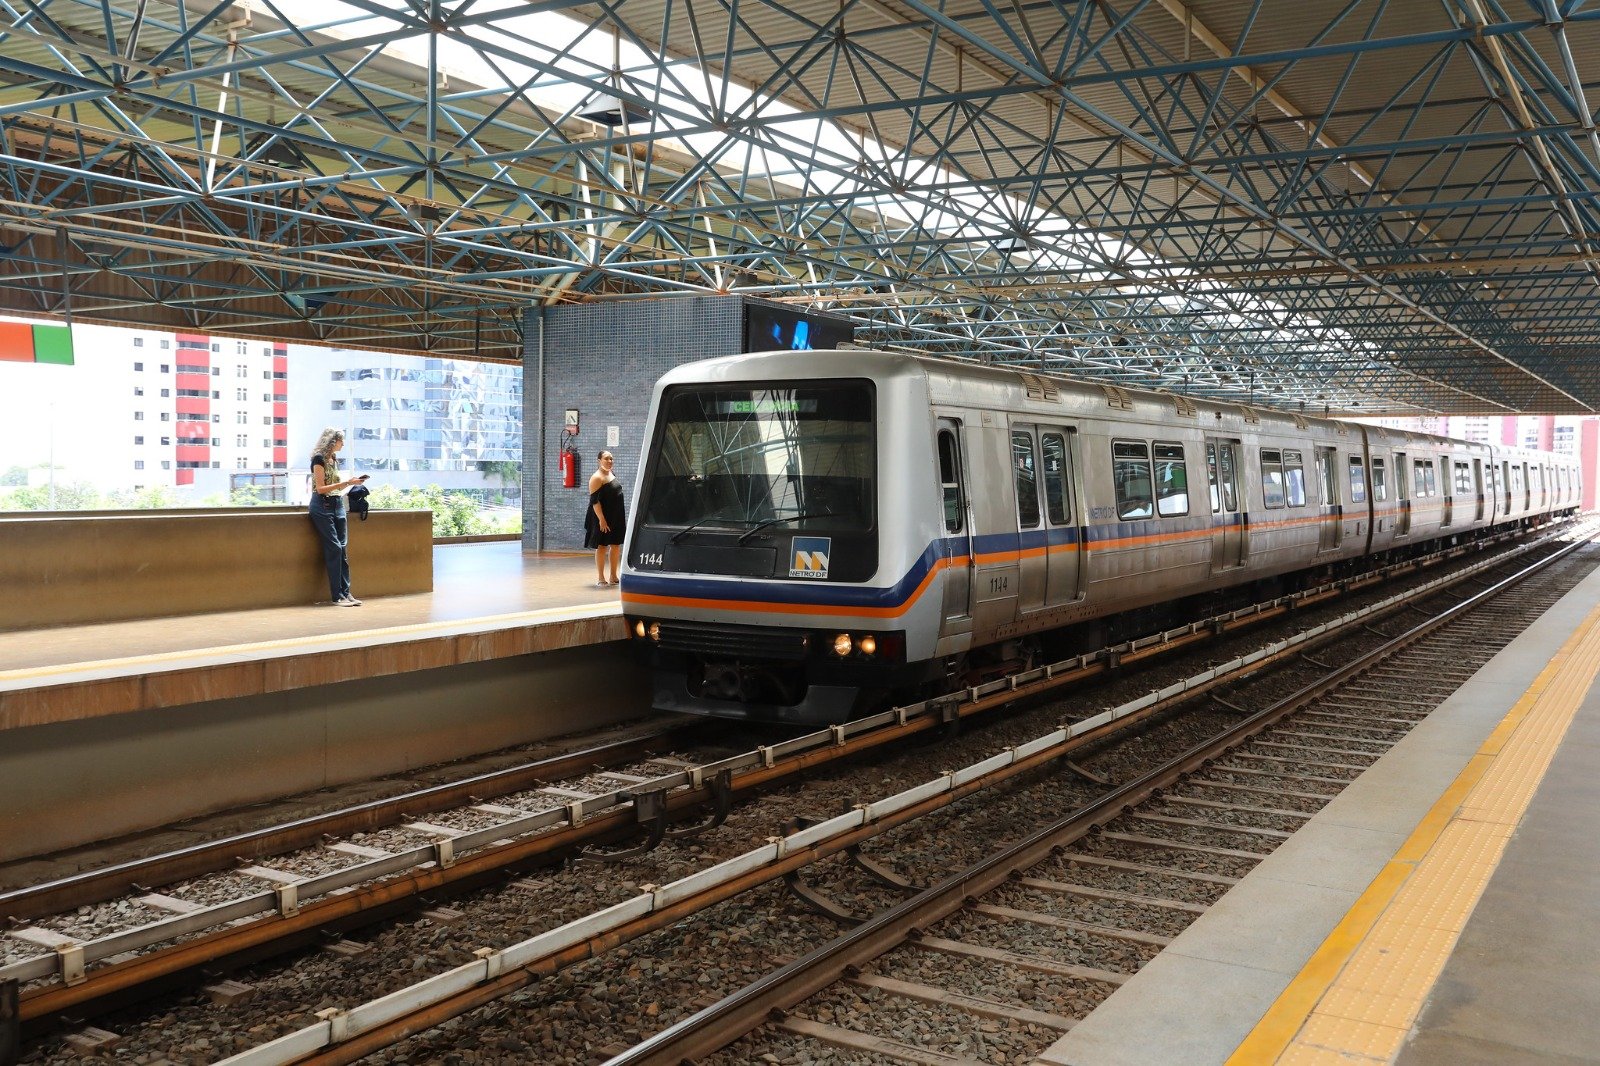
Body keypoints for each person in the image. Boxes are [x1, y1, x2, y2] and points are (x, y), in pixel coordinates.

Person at [308, 427, 367, 606]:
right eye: (341, 441)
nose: (343, 444)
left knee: (342, 548)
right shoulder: (318, 459)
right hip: (322, 505)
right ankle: (337, 596)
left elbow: (335, 487)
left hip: (337, 505)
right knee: (334, 548)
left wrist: (352, 483)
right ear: (332, 442)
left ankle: (346, 593)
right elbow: (320, 488)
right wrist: (347, 482)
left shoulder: (334, 459)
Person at [584, 450, 626, 588]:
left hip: (616, 515)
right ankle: (601, 577)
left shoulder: (611, 474)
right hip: (602, 516)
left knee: (615, 545)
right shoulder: (596, 478)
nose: (609, 461)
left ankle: (613, 575)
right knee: (602, 546)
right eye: (606, 459)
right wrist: (601, 519)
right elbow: (594, 501)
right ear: (599, 461)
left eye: (611, 459)